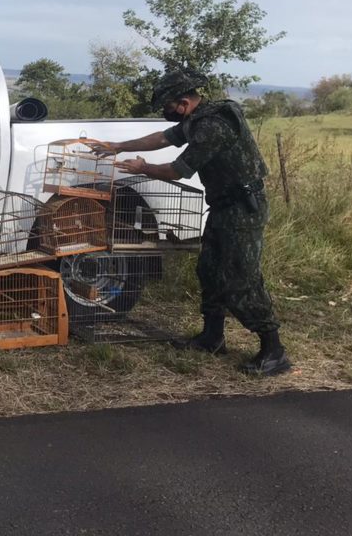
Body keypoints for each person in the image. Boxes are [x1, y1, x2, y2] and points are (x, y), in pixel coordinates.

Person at [98, 69, 291, 377]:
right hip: (224, 206)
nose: (165, 112)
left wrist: (142, 167)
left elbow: (178, 170)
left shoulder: (213, 125)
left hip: (243, 208)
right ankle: (212, 338)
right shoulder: (197, 118)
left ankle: (274, 350)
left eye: (168, 105)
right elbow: (162, 138)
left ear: (184, 102)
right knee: (210, 269)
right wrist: (118, 146)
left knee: (241, 278)